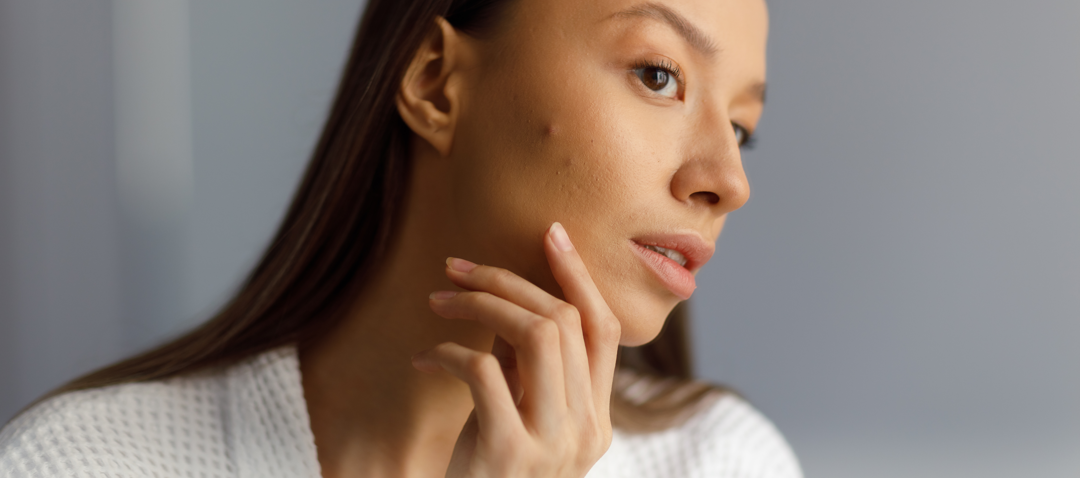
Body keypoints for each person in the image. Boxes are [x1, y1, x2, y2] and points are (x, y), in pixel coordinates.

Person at [0, 0, 801, 476]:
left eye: (742, 128)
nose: (729, 180)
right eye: (659, 76)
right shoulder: (84, 462)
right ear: (435, 84)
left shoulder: (724, 462)